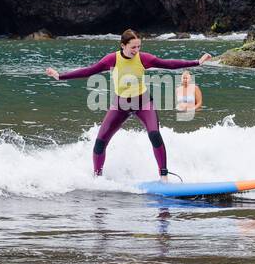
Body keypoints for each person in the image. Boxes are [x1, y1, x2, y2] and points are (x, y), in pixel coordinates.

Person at [46, 29, 211, 177]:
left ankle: (164, 176)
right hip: (120, 105)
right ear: (123, 45)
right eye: (133, 47)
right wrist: (60, 76)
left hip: (143, 103)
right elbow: (89, 71)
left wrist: (196, 62)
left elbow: (168, 64)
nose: (137, 50)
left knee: (154, 134)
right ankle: (97, 178)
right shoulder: (112, 59)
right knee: (100, 142)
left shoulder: (144, 58)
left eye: (139, 47)